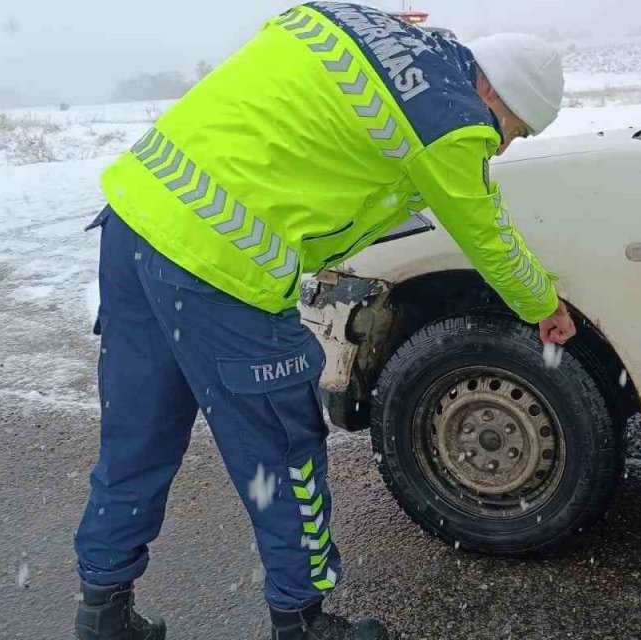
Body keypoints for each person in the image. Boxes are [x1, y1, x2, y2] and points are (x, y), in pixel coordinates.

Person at [72, 3, 577, 639]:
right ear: (494, 95)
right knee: (281, 451)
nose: (502, 145)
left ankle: (103, 608)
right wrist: (543, 307)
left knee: (138, 432)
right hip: (218, 267)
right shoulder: (452, 122)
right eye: (514, 129)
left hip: (135, 219)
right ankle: (301, 619)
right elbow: (489, 235)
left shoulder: (348, 21)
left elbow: (299, 32)